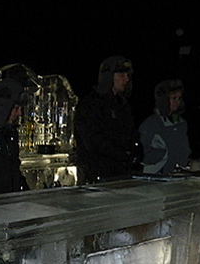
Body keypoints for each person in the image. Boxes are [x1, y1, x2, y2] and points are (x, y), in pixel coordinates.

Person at [73, 55, 141, 183]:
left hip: (122, 172)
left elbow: (131, 134)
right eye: (121, 75)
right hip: (99, 175)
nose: (126, 79)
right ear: (109, 77)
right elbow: (93, 141)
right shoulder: (91, 104)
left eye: (127, 75)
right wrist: (122, 154)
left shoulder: (122, 104)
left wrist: (134, 152)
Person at [139, 79, 191, 175]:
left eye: (179, 98)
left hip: (177, 176)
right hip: (155, 178)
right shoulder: (151, 124)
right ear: (164, 99)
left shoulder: (181, 124)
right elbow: (142, 153)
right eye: (173, 98)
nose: (177, 102)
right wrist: (162, 155)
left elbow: (184, 150)